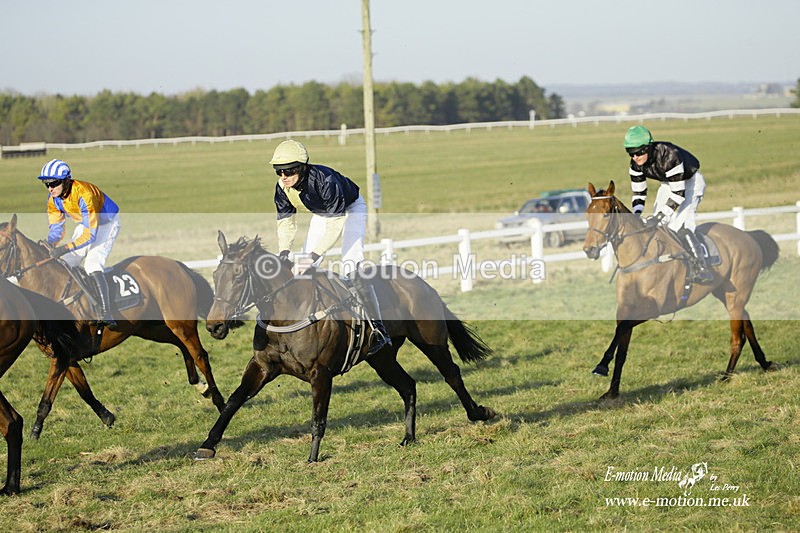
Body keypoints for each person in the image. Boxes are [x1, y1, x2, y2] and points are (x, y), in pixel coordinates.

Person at [270, 139, 390, 356]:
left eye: (288, 170)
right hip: (323, 213)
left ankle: (377, 330)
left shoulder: (325, 180)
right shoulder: (282, 187)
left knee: (350, 267)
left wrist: (313, 256)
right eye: (278, 171)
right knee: (303, 268)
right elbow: (286, 221)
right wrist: (284, 251)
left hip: (351, 208)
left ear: (302, 167)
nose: (283, 176)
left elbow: (336, 224)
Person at [623, 125, 714, 284]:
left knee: (680, 226)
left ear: (648, 148)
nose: (635, 157)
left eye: (639, 152)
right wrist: (636, 215)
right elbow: (639, 194)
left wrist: (659, 216)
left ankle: (701, 267)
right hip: (667, 185)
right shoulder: (635, 165)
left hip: (690, 183)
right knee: (657, 228)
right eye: (631, 153)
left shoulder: (670, 155)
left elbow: (679, 194)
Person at [38, 159, 121, 327]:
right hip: (86, 224)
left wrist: (65, 248)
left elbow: (90, 235)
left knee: (92, 264)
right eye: (46, 184)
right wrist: (49, 243)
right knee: (66, 263)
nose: (50, 188)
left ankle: (106, 311)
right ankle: (77, 305)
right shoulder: (53, 198)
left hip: (106, 224)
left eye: (53, 183)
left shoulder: (84, 194)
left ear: (66, 181)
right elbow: (57, 228)